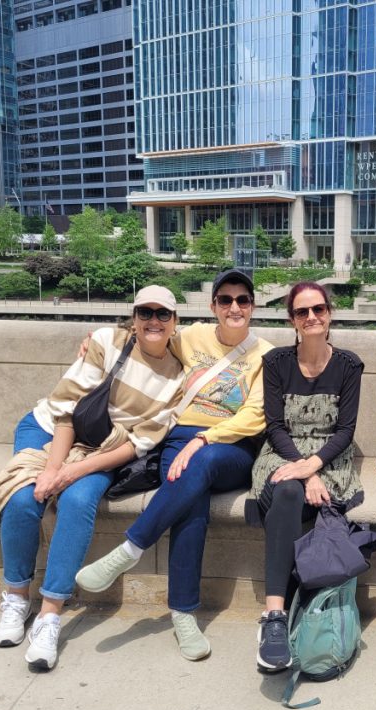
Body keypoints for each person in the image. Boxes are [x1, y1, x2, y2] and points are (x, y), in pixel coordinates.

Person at [75, 270, 272, 660]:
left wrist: (205, 439)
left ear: (252, 307)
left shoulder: (266, 354)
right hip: (178, 437)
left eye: (243, 300)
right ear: (214, 306)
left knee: (202, 462)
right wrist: (100, 337)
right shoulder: (192, 336)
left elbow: (255, 415)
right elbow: (151, 333)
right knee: (190, 505)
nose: (234, 307)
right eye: (226, 300)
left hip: (229, 447)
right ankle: (183, 614)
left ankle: (130, 549)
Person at [0, 285, 185, 671]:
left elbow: (139, 443)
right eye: (145, 313)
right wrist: (52, 471)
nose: (154, 321)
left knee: (78, 500)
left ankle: (50, 614)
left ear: (175, 322)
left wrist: (73, 472)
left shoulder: (178, 377)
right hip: (50, 429)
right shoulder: (106, 342)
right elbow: (65, 410)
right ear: (133, 318)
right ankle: (16, 597)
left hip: (105, 448)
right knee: (25, 497)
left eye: (163, 314)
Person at [246, 282, 364, 672]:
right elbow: (275, 426)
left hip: (330, 458)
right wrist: (303, 469)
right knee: (288, 492)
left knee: (292, 493)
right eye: (302, 312)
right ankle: (275, 616)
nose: (311, 317)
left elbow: (345, 430)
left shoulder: (348, 365)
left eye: (318, 309)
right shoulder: (277, 362)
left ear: (329, 313)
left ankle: (276, 615)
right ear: (292, 320)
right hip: (283, 453)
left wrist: (313, 467)